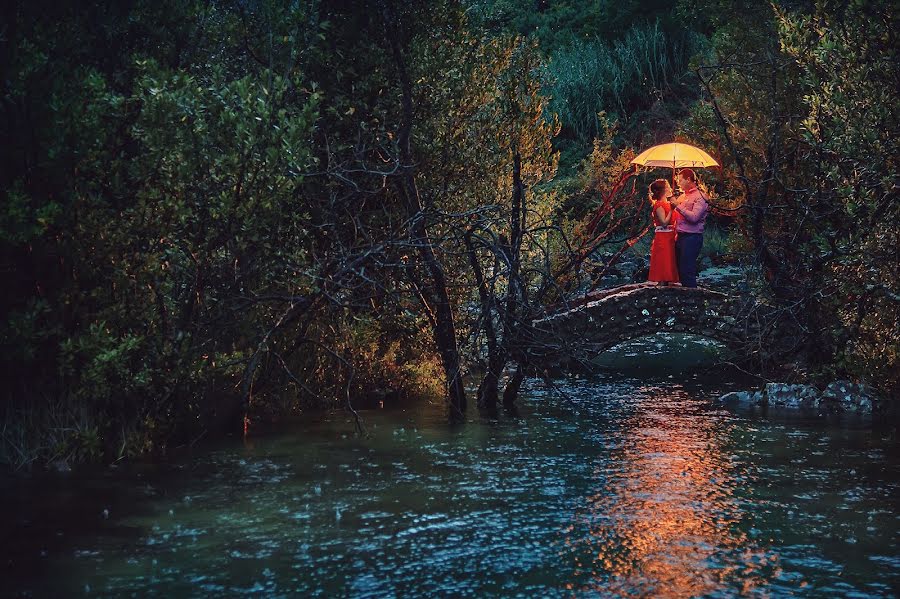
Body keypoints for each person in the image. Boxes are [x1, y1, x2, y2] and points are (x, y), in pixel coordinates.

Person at [672, 168, 709, 288]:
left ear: (688, 179)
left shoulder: (701, 197)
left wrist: (678, 206)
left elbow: (694, 218)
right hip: (680, 237)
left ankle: (693, 300)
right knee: (679, 269)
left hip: (692, 237)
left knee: (687, 270)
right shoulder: (682, 197)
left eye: (680, 180)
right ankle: (684, 299)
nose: (678, 183)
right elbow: (675, 215)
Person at [647, 178, 679, 285]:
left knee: (669, 264)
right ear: (662, 190)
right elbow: (664, 222)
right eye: (667, 187)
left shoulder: (668, 203)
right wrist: (671, 209)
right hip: (663, 238)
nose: (670, 188)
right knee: (664, 265)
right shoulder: (659, 205)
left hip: (670, 236)